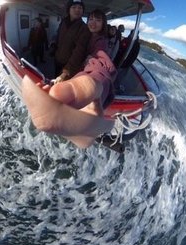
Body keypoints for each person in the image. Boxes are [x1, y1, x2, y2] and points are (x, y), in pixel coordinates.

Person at [21, 9, 117, 148]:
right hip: (69, 67)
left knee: (65, 90)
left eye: (98, 20)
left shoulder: (100, 41)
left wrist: (96, 81)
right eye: (90, 19)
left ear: (104, 24)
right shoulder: (85, 34)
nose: (93, 22)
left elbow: (101, 61)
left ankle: (79, 113)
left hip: (84, 74)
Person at [53, 0, 91, 83]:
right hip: (58, 60)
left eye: (80, 8)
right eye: (74, 7)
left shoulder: (84, 28)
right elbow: (58, 37)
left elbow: (79, 52)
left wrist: (66, 72)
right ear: (68, 10)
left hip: (68, 65)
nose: (77, 10)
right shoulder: (63, 22)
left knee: (61, 88)